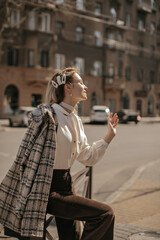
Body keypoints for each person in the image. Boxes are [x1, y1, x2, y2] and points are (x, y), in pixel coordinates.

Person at [0, 67, 119, 240]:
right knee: (105, 214)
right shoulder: (47, 116)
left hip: (67, 187)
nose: (85, 86)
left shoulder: (75, 120)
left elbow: (88, 157)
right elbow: (24, 158)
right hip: (46, 191)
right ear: (68, 88)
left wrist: (109, 136)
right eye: (80, 82)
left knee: (72, 237)